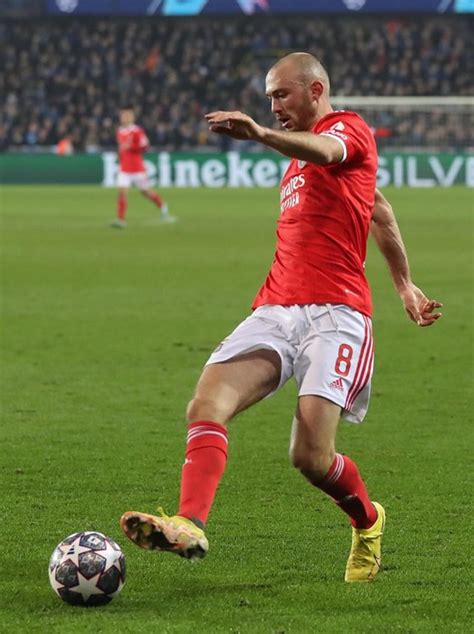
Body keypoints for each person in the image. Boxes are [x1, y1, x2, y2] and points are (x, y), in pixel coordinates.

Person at [120, 53, 442, 582]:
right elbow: (379, 209)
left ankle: (368, 520)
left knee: (310, 457)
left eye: (281, 95)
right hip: (275, 309)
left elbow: (329, 150)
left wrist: (263, 134)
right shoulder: (300, 162)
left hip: (337, 315)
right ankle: (189, 521)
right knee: (206, 401)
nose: (272, 106)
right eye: (269, 98)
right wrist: (404, 282)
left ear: (315, 90)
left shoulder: (348, 131)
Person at [111, 106, 175, 228]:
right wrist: (119, 156)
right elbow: (122, 148)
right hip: (124, 168)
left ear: (132, 117)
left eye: (127, 115)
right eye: (123, 115)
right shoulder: (119, 131)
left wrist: (131, 147)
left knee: (146, 192)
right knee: (122, 192)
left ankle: (163, 207)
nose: (124, 118)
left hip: (137, 168)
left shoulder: (137, 131)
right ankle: (120, 219)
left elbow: (145, 146)